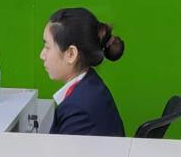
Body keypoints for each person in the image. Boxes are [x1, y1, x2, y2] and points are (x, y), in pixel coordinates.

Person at [40, 7, 125, 136]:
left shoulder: (79, 111)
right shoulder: (91, 85)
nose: (42, 55)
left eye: (47, 47)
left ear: (71, 54)